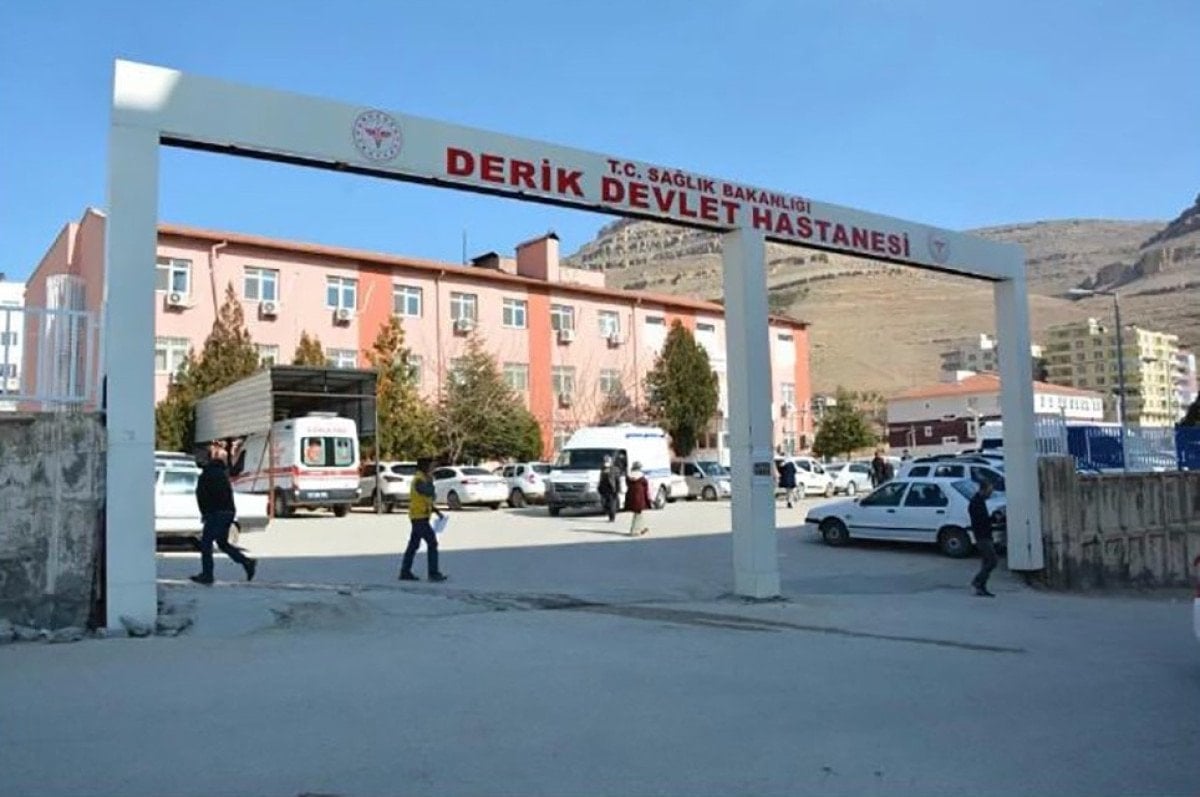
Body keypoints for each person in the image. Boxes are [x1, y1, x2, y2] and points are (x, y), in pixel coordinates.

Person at [191, 443, 256, 585]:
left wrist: (207, 513)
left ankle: (207, 574)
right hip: (226, 511)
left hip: (216, 513)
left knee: (206, 543)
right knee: (222, 543)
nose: (197, 460)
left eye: (199, 457)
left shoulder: (209, 474)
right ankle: (246, 562)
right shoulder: (219, 472)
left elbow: (205, 496)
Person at [400, 457, 447, 582]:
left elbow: (426, 499)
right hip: (419, 517)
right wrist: (431, 481)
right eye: (431, 466)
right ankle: (433, 573)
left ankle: (405, 572)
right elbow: (429, 492)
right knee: (432, 543)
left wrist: (436, 511)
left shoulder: (422, 479)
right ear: (425, 467)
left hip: (420, 516)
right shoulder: (420, 480)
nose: (433, 469)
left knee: (413, 545)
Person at [969, 480, 997, 597]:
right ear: (983, 490)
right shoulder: (976, 503)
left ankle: (981, 587)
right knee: (992, 561)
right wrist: (992, 520)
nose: (990, 494)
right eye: (989, 491)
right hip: (982, 536)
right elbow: (980, 521)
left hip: (985, 534)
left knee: (986, 561)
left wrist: (993, 519)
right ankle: (978, 581)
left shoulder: (980, 501)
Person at [624, 461, 651, 537]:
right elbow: (646, 488)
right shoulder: (642, 478)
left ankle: (641, 528)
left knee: (638, 513)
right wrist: (648, 499)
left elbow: (627, 484)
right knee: (638, 514)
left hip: (631, 497)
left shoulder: (628, 477)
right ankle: (634, 530)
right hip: (639, 498)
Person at [598, 455, 620, 522]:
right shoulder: (602, 469)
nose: (606, 462)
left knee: (612, 503)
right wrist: (599, 487)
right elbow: (601, 479)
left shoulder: (615, 469)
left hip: (612, 489)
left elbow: (617, 480)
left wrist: (617, 489)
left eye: (607, 460)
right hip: (604, 488)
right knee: (605, 503)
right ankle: (609, 513)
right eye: (605, 460)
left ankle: (612, 517)